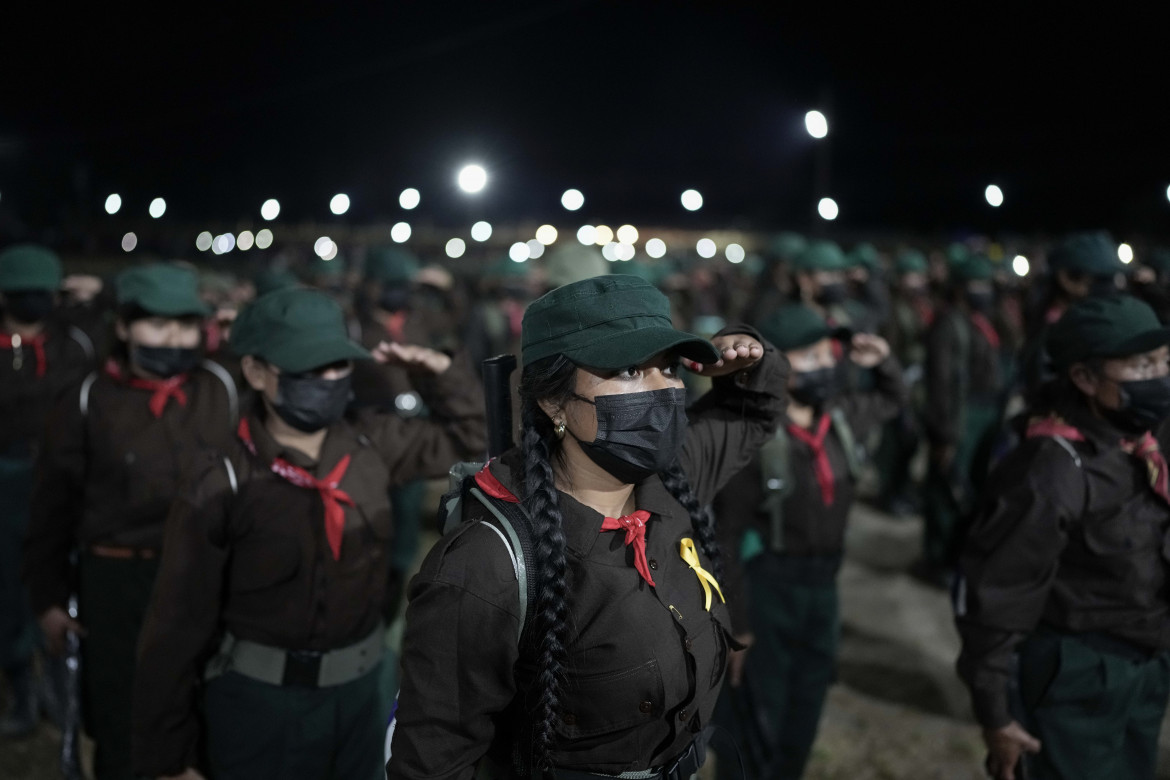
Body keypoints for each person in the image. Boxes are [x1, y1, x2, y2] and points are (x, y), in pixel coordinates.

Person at [387, 274, 789, 779]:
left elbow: (754, 411)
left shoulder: (671, 482)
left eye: (668, 367)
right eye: (626, 371)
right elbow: (434, 762)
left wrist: (751, 354)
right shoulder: (486, 564)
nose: (662, 390)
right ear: (554, 402)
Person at [131, 287, 486, 780]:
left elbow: (472, 442)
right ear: (256, 372)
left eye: (338, 365)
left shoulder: (373, 442)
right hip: (258, 704)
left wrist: (440, 375)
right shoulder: (222, 478)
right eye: (307, 369)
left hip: (362, 693)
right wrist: (169, 757)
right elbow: (175, 623)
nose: (328, 379)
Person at [22, 263, 237, 779]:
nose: (174, 337)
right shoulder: (87, 396)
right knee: (124, 717)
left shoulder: (221, 385)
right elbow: (52, 504)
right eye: (157, 324)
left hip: (207, 577)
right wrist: (48, 598)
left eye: (186, 324)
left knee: (203, 707)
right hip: (117, 582)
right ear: (123, 327)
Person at [956, 295, 1170, 780]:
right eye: (1141, 365)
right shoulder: (1051, 470)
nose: (1160, 375)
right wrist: (995, 713)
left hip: (1147, 666)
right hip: (1079, 677)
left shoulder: (1144, 437)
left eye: (1164, 360)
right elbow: (996, 599)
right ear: (1085, 378)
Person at [711, 304, 904, 780]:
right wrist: (739, 625)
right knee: (759, 710)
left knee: (807, 701)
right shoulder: (755, 438)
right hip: (770, 586)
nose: (823, 367)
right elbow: (725, 536)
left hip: (824, 586)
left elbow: (893, 397)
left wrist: (883, 361)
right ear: (773, 367)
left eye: (826, 355)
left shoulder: (838, 419)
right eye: (808, 357)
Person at [0, 245, 98, 737]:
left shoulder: (75, 342)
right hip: (5, 481)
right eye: (23, 293)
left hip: (63, 480)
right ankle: (22, 692)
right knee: (9, 592)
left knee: (60, 585)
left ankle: (63, 693)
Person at [919, 253, 1006, 585]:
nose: (983, 291)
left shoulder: (981, 320)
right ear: (958, 289)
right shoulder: (948, 324)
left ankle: (955, 554)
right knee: (946, 488)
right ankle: (937, 558)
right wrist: (945, 435)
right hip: (960, 416)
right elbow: (942, 384)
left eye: (986, 284)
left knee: (970, 487)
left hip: (983, 413)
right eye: (975, 285)